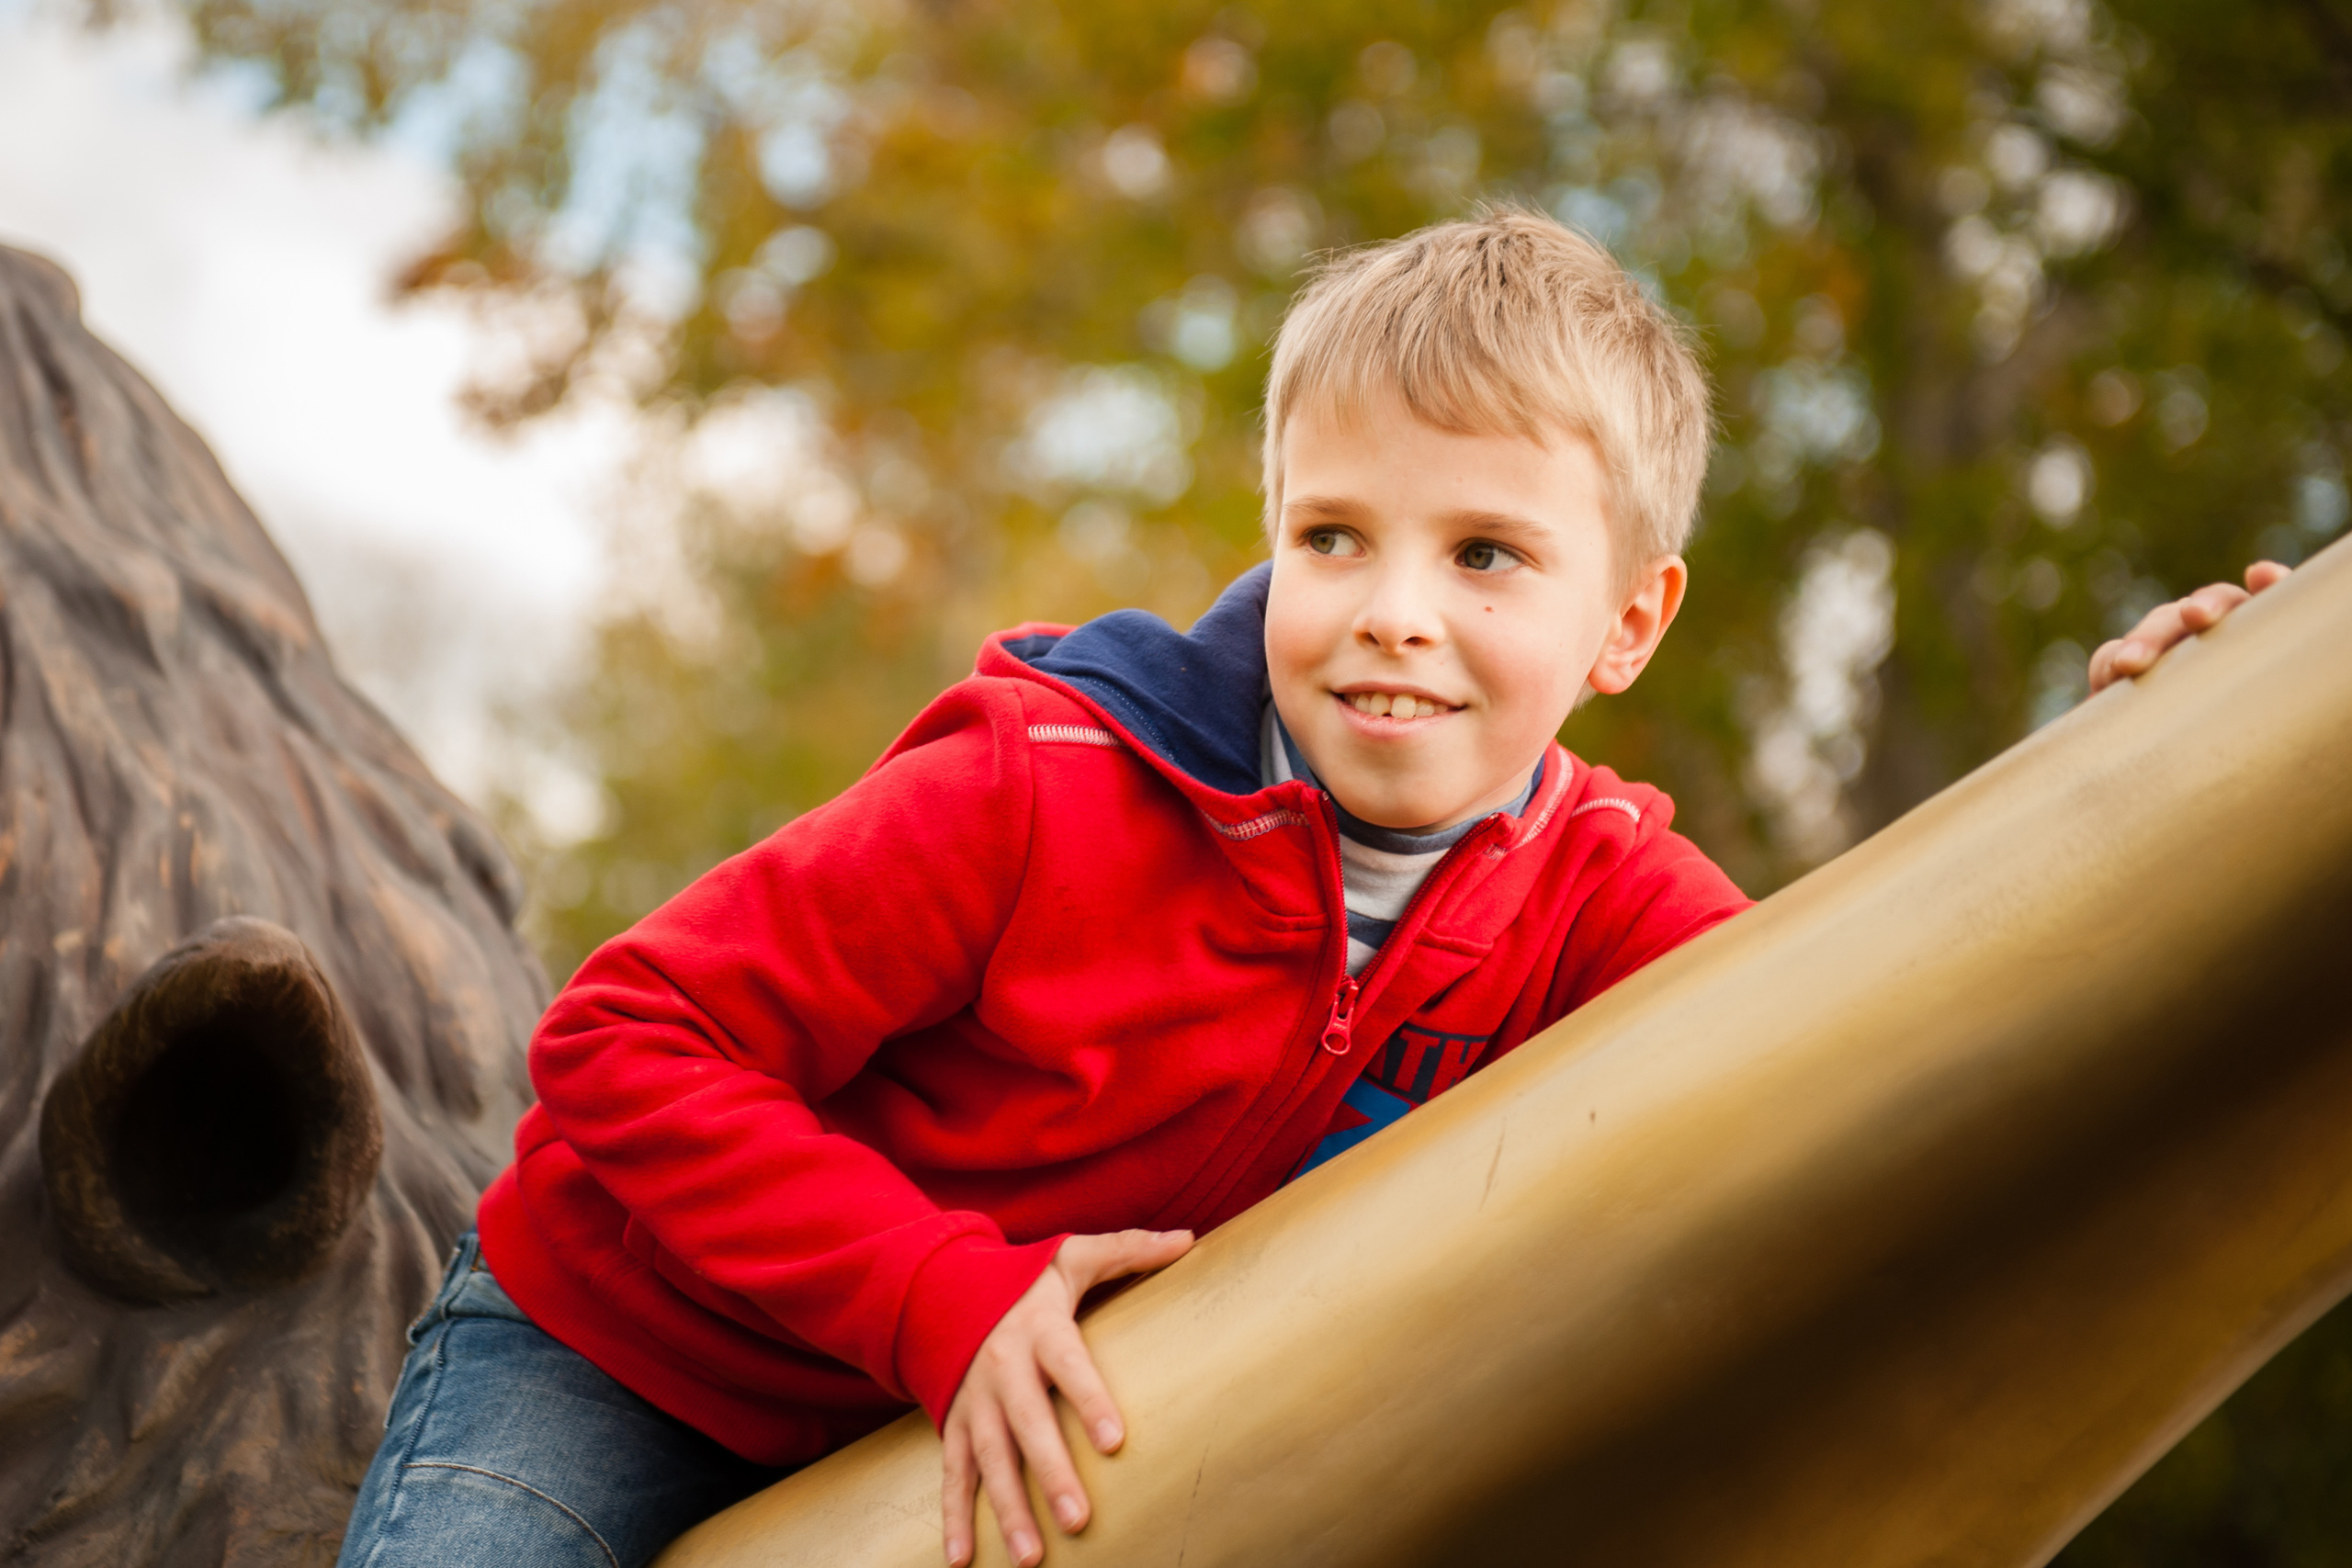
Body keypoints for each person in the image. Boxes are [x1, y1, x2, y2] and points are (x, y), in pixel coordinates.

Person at [334, 209, 2287, 1568]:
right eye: (1334, 535)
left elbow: (1887, 1019)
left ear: (1630, 619)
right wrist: (935, 1292)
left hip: (983, 1413)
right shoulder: (1045, 782)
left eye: (1484, 556)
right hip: (646, 1345)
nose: (1389, 613)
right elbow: (625, 1034)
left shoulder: (1592, 890)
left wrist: (2157, 727)